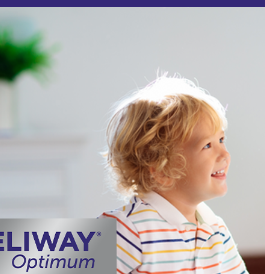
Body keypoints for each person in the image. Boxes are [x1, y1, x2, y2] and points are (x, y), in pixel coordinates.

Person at [99, 76, 247, 274]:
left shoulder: (216, 230)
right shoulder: (128, 228)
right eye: (207, 145)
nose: (225, 154)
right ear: (161, 169)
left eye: (221, 139)